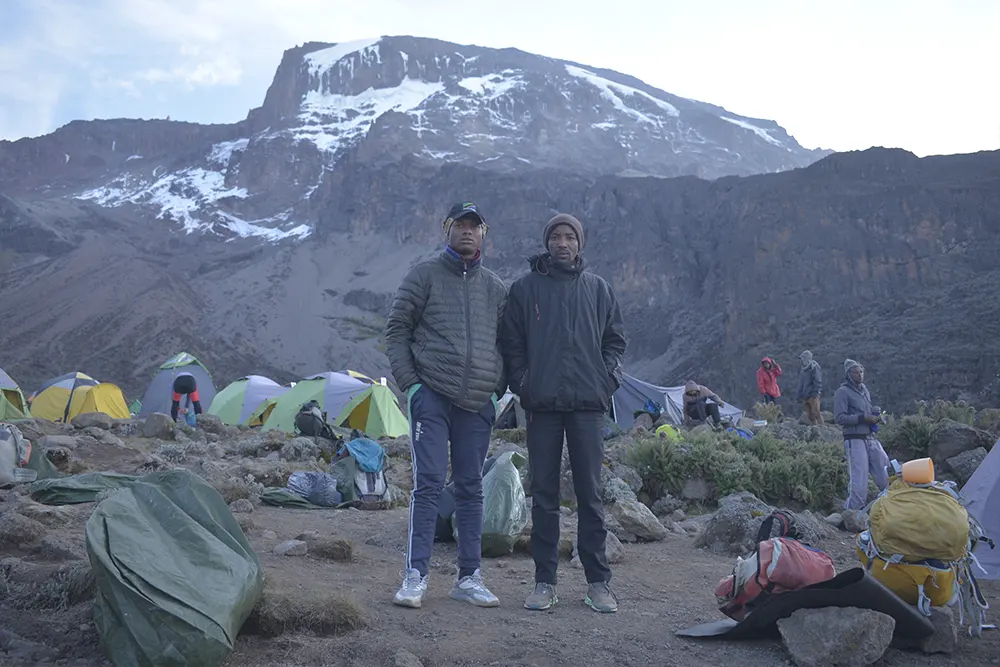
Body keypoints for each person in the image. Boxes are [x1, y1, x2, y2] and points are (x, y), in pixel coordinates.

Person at [384, 201, 507, 610]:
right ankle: (415, 576)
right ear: (447, 230)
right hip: (432, 395)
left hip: (477, 403)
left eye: (475, 226)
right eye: (460, 225)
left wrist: (496, 390)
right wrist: (413, 386)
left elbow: (509, 344)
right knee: (429, 482)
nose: (468, 231)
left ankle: (468, 577)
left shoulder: (495, 288)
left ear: (484, 234)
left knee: (471, 487)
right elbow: (397, 330)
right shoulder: (424, 276)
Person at [502, 212, 626, 614]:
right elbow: (512, 344)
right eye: (555, 236)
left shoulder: (598, 289)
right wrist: (524, 383)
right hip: (542, 406)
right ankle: (544, 582)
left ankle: (598, 583)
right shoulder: (525, 290)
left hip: (589, 405)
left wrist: (606, 379)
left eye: (569, 236)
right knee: (544, 495)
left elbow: (615, 340)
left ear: (579, 244)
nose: (562, 242)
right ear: (547, 243)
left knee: (591, 496)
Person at [834, 359, 889, 510]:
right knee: (859, 481)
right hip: (855, 440)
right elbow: (839, 418)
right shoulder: (842, 392)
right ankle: (852, 514)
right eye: (856, 372)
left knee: (885, 470)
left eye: (862, 371)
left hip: (871, 438)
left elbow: (866, 412)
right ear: (848, 374)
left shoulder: (864, 390)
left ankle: (892, 504)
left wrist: (875, 416)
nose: (860, 374)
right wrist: (862, 417)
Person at [797, 350, 823, 425]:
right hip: (805, 395)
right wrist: (799, 395)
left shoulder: (814, 368)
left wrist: (815, 393)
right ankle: (814, 429)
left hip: (812, 395)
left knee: (816, 413)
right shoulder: (803, 369)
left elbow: (817, 381)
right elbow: (801, 383)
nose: (801, 360)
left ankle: (822, 429)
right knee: (810, 415)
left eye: (802, 358)